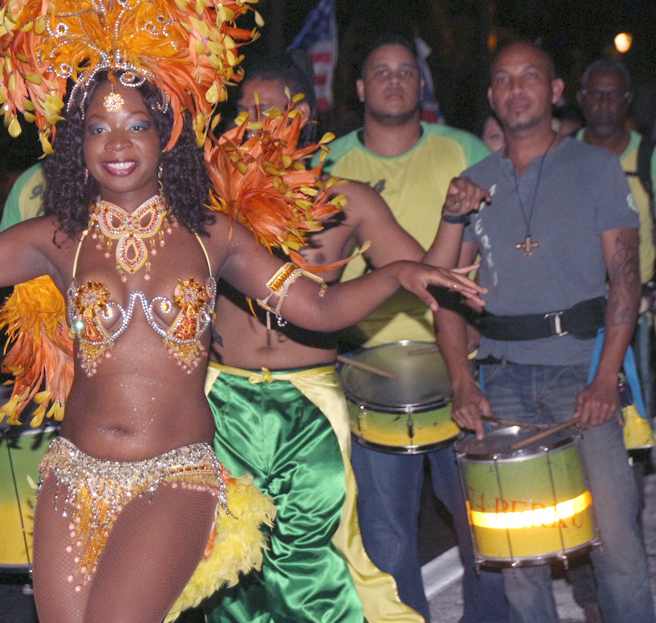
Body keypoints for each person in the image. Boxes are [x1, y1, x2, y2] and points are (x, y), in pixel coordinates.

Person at [0, 10, 485, 617]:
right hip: (73, 476)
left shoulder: (211, 234)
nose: (118, 142)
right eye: (99, 126)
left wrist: (401, 273)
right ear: (77, 144)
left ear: (165, 135)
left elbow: (317, 303)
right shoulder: (57, 237)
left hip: (175, 476)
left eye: (136, 124)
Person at [203, 53, 489, 623]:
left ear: (300, 116)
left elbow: (422, 272)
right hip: (221, 395)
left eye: (265, 112)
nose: (250, 126)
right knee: (228, 559)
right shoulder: (210, 203)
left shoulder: (346, 199)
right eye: (242, 113)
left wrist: (453, 220)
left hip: (309, 397)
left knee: (319, 556)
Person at [436, 40, 655, 623]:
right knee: (518, 556)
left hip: (582, 373)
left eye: (531, 76)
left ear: (556, 91)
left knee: (618, 547)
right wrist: (461, 380)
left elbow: (625, 280)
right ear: (491, 96)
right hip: (503, 380)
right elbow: (445, 295)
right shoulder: (472, 183)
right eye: (503, 79)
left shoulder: (596, 167)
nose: (516, 88)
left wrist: (607, 376)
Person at [320, 34, 506, 623]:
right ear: (358, 88)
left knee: (484, 521)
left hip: (465, 359)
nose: (395, 81)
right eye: (380, 72)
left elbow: (502, 246)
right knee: (387, 535)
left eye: (406, 71)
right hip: (367, 371)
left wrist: (488, 319)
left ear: (421, 84)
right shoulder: (330, 167)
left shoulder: (466, 150)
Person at [576, 59, 656, 420]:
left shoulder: (647, 158)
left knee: (638, 410)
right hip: (579, 306)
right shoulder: (563, 154)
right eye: (595, 95)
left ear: (627, 100)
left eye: (613, 96)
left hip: (638, 307)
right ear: (580, 99)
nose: (604, 105)